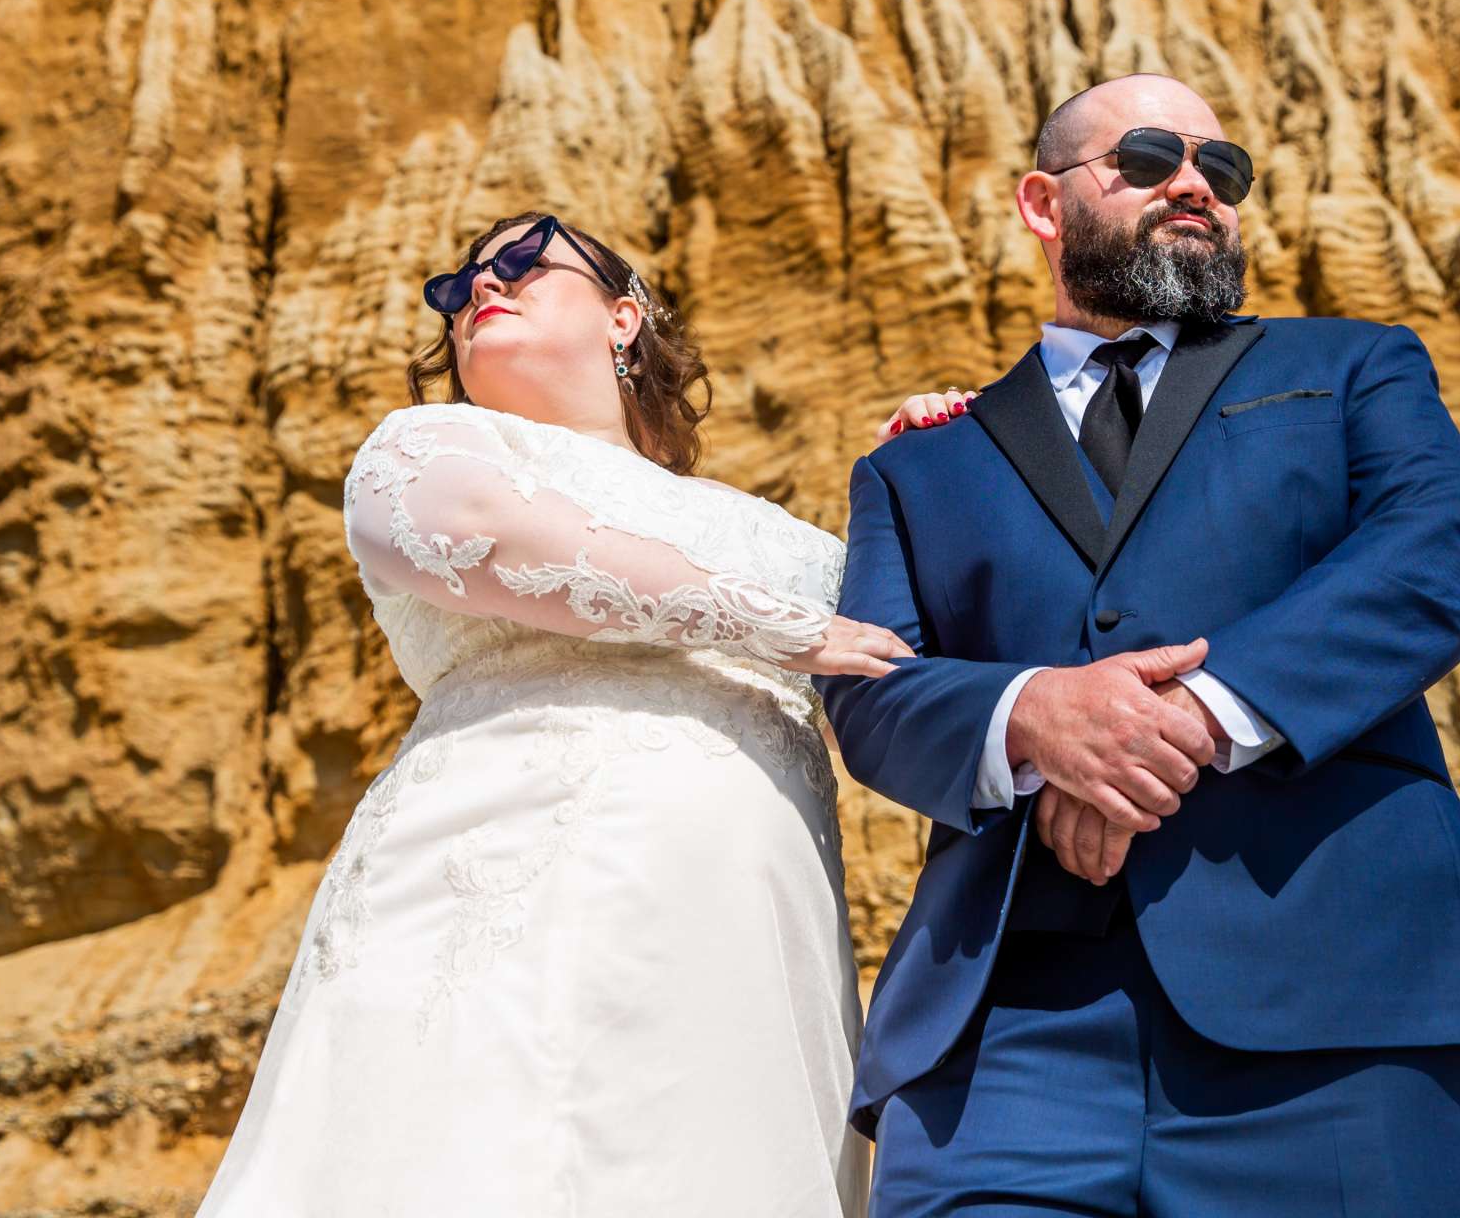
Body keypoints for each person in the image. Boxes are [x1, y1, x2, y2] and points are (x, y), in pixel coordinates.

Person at [824, 74, 1460, 1217]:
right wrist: (1032, 718)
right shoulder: (917, 464)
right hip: (1000, 1053)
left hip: (1345, 1017)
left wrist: (1185, 719)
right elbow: (872, 687)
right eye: (1151, 156)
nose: (1194, 186)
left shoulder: (1356, 364)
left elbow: (1434, 558)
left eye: (1222, 172)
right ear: (1041, 201)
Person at [199, 210, 935, 1215]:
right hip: (502, 885)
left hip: (743, 936)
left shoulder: (774, 534)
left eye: (520, 261)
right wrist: (779, 626)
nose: (478, 288)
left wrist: (935, 469)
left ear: (623, 316)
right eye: (457, 288)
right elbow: (489, 531)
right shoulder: (432, 442)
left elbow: (905, 651)